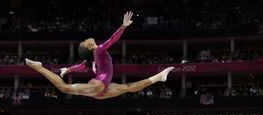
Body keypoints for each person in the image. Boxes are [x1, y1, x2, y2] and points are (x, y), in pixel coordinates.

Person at [25, 11, 174, 100]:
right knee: (64, 88)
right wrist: (123, 26)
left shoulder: (94, 57)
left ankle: (159, 77)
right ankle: (39, 67)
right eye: (85, 41)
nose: (87, 39)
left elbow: (82, 65)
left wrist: (69, 69)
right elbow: (112, 39)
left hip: (103, 89)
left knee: (128, 87)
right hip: (98, 87)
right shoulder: (99, 50)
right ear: (89, 47)